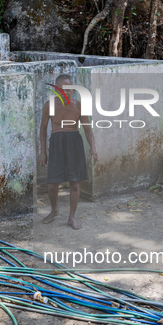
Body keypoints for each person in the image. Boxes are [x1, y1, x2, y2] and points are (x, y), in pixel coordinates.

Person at [39, 74, 97, 230]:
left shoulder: (78, 106)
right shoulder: (49, 105)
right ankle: (54, 210)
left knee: (75, 184)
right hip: (57, 143)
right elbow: (43, 129)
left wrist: (93, 147)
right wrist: (43, 152)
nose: (67, 92)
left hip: (74, 144)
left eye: (70, 89)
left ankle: (71, 217)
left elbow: (87, 130)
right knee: (52, 185)